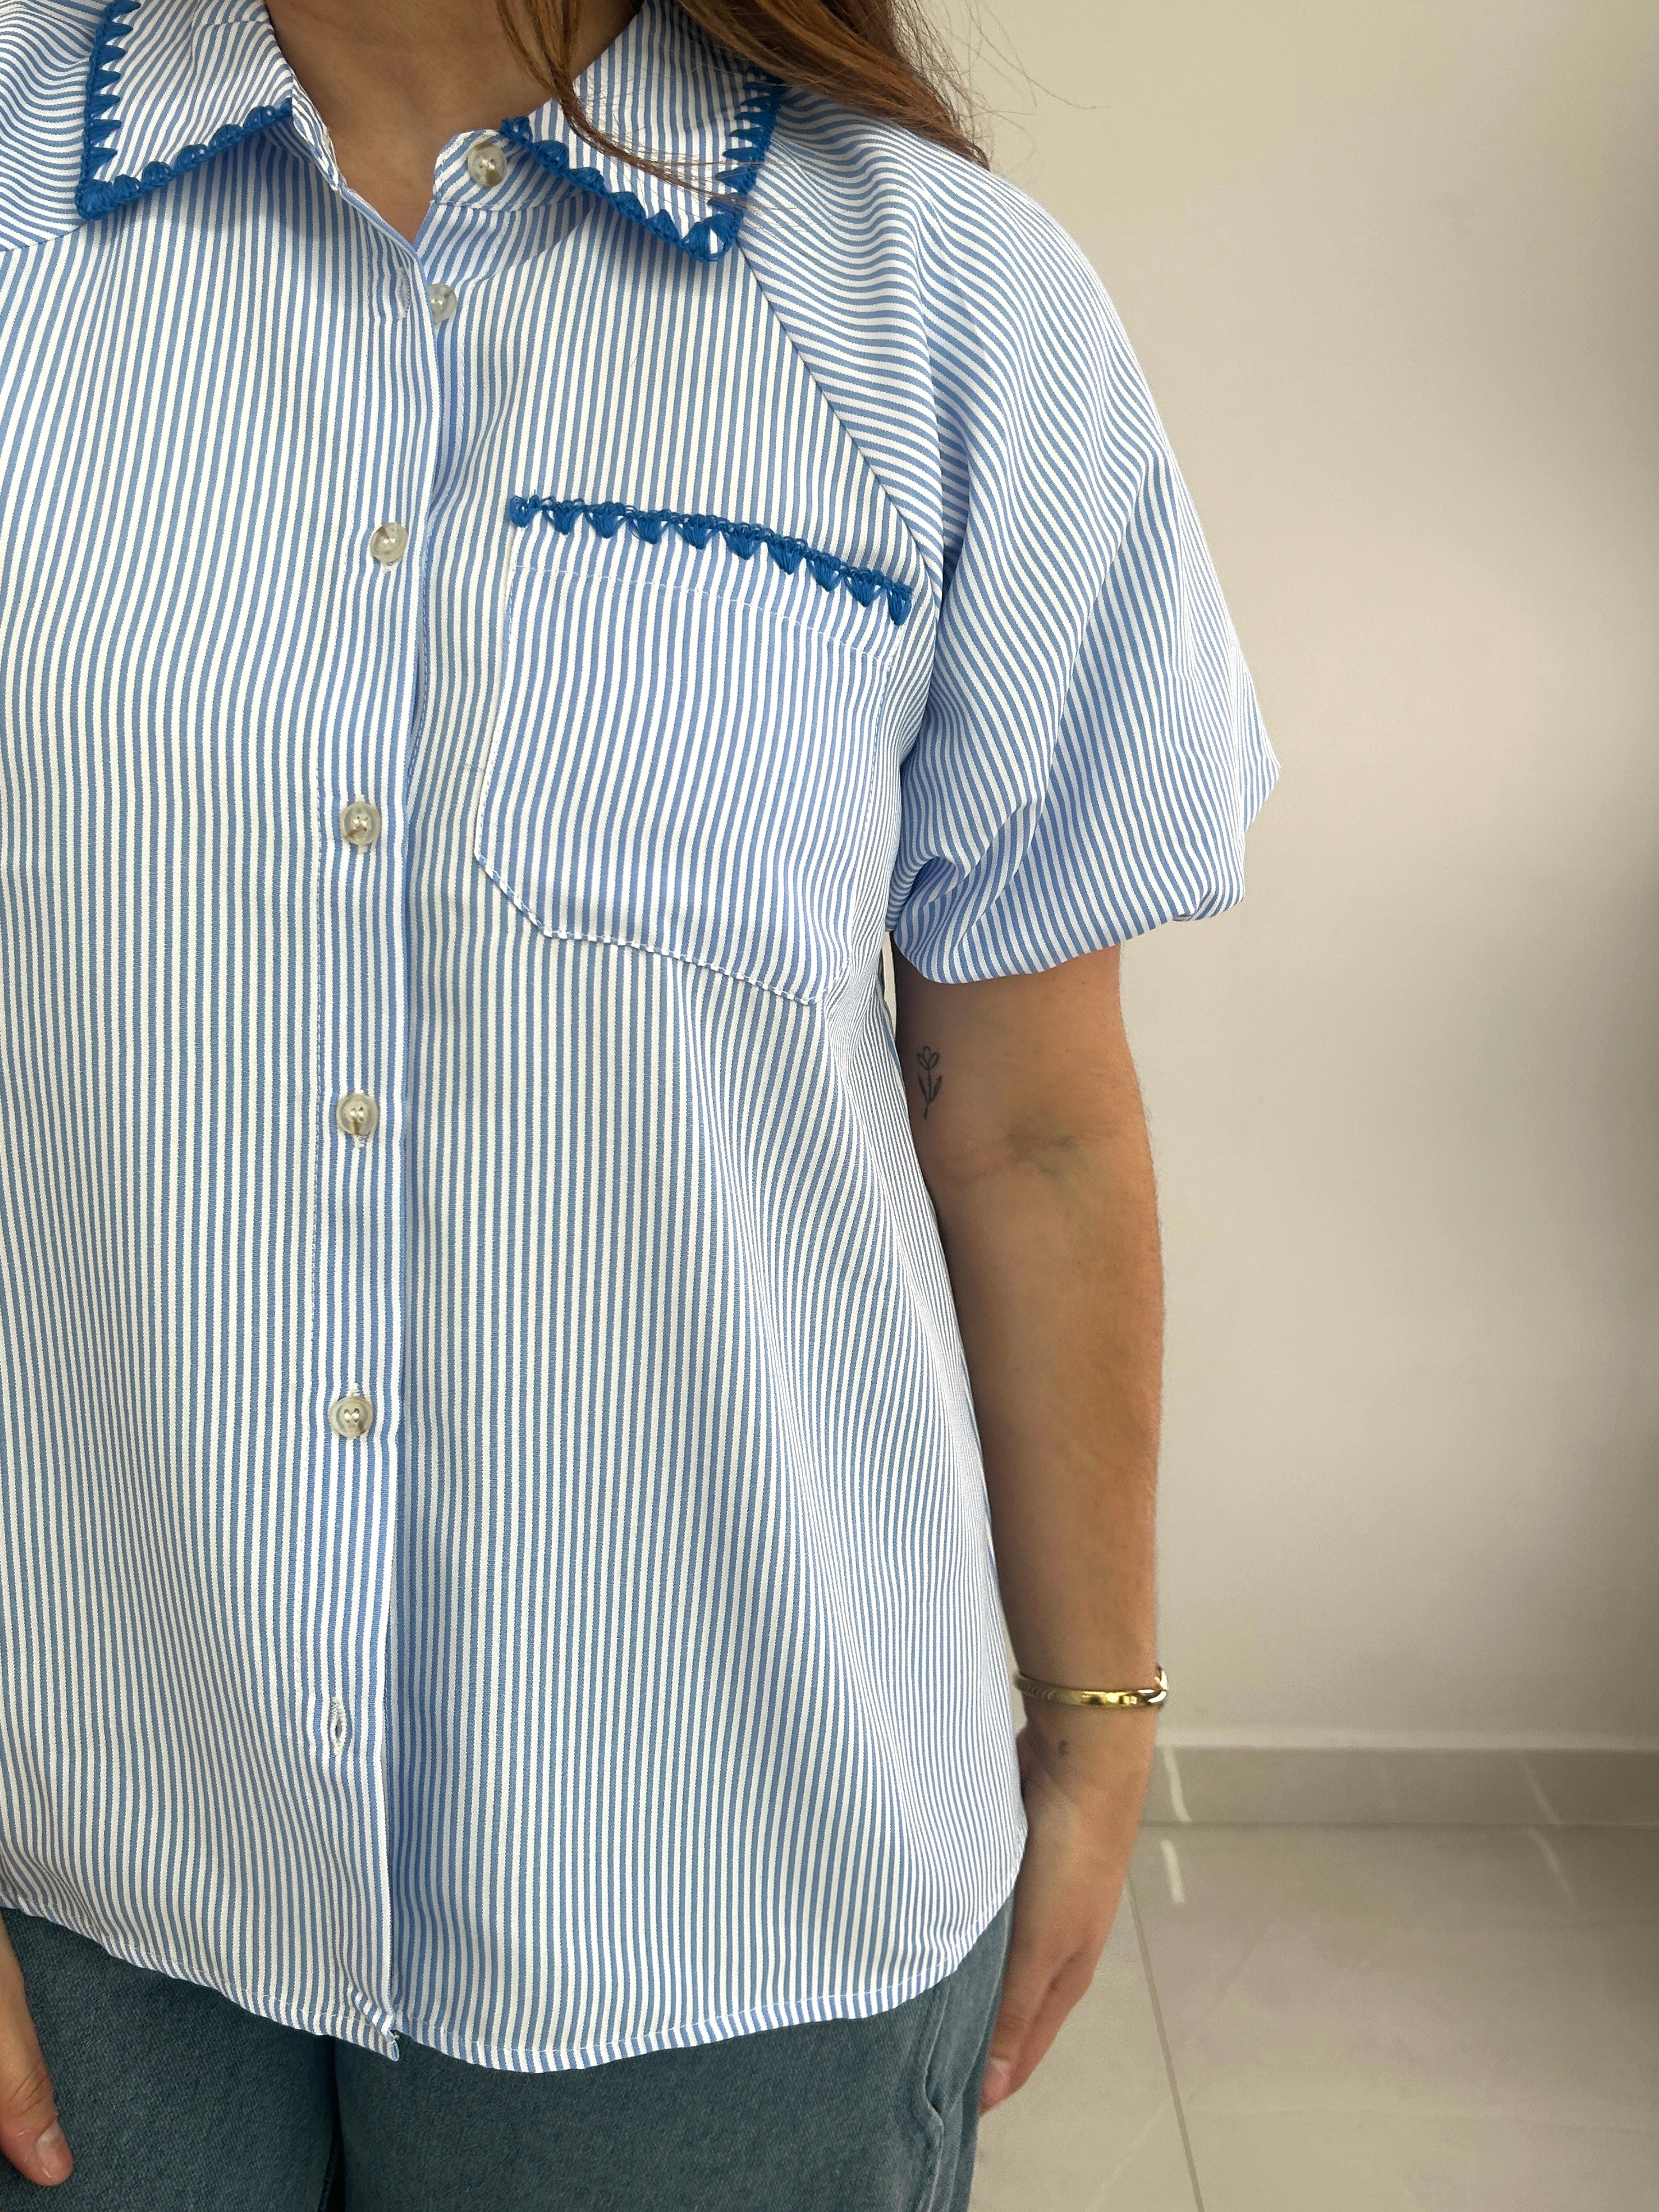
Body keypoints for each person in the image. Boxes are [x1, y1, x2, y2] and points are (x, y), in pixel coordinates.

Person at [0, 0, 1279, 2200]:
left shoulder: (937, 304)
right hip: (74, 1835)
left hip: (734, 1882)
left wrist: (1098, 1719)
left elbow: (1035, 1121)